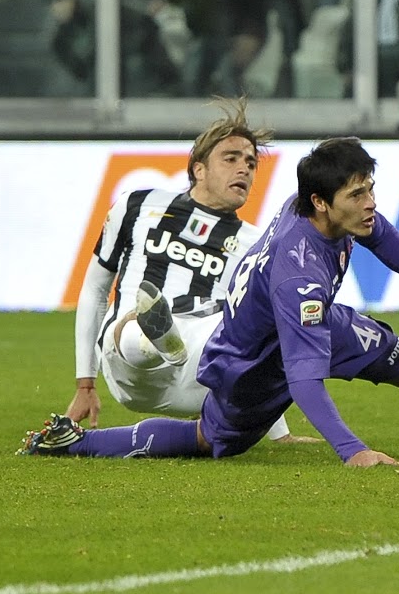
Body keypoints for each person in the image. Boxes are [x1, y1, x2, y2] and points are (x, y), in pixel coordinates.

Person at [23, 137, 399, 464]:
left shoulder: (312, 205)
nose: (369, 202)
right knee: (209, 439)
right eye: (357, 193)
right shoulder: (300, 275)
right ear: (322, 202)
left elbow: (376, 229)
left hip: (305, 325)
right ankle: (78, 444)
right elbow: (303, 378)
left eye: (369, 188)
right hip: (249, 368)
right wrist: (353, 451)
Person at [51, 101, 310, 443]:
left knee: (264, 323)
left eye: (250, 163)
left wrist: (279, 434)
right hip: (131, 367)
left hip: (197, 377)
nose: (244, 170)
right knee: (136, 329)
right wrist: (86, 383)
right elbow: (97, 289)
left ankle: (162, 336)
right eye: (231, 159)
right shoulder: (137, 205)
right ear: (199, 169)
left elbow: (254, 338)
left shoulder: (255, 245)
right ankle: (153, 333)